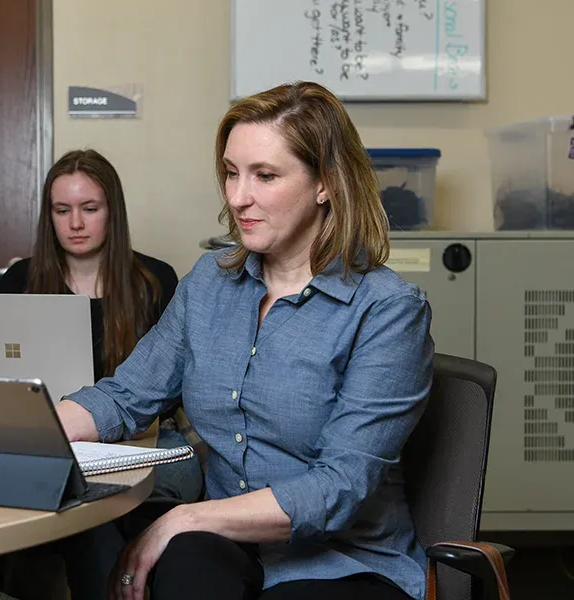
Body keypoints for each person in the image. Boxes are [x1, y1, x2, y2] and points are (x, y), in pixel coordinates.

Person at [55, 82, 435, 600]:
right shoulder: (210, 283)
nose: (237, 197)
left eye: (265, 176)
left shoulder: (387, 310)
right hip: (232, 545)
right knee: (181, 569)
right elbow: (125, 396)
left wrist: (180, 519)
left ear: (325, 183)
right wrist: (22, 432)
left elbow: (336, 489)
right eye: (231, 173)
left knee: (185, 545)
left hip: (346, 564)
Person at [0, 149, 205, 598]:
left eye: (90, 209)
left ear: (113, 211)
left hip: (145, 443)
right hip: (49, 440)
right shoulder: (20, 280)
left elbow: (182, 389)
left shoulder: (155, 280)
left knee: (90, 510)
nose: (75, 224)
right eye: (62, 210)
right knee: (84, 514)